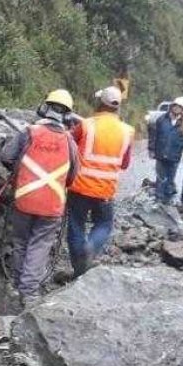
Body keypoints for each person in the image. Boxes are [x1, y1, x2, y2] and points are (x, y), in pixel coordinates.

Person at [0, 90, 79, 307]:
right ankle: (29, 292)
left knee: (20, 241)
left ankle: (16, 283)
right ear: (68, 116)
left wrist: (19, 171)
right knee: (40, 245)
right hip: (52, 206)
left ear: (44, 108)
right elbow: (72, 175)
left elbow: (6, 156)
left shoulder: (28, 132)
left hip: (24, 200)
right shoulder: (70, 141)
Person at [66, 86, 135, 276]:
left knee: (76, 224)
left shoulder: (87, 125)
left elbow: (69, 145)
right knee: (104, 225)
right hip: (105, 190)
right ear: (118, 108)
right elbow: (125, 164)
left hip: (79, 186)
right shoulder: (127, 131)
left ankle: (79, 266)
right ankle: (91, 246)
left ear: (99, 103)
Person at [151, 97, 183, 205]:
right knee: (160, 178)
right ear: (171, 106)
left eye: (180, 107)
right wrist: (152, 149)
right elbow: (154, 135)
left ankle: (167, 199)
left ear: (182, 109)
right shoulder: (161, 119)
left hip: (175, 154)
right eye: (175, 106)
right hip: (161, 153)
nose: (177, 109)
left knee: (171, 179)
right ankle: (158, 199)